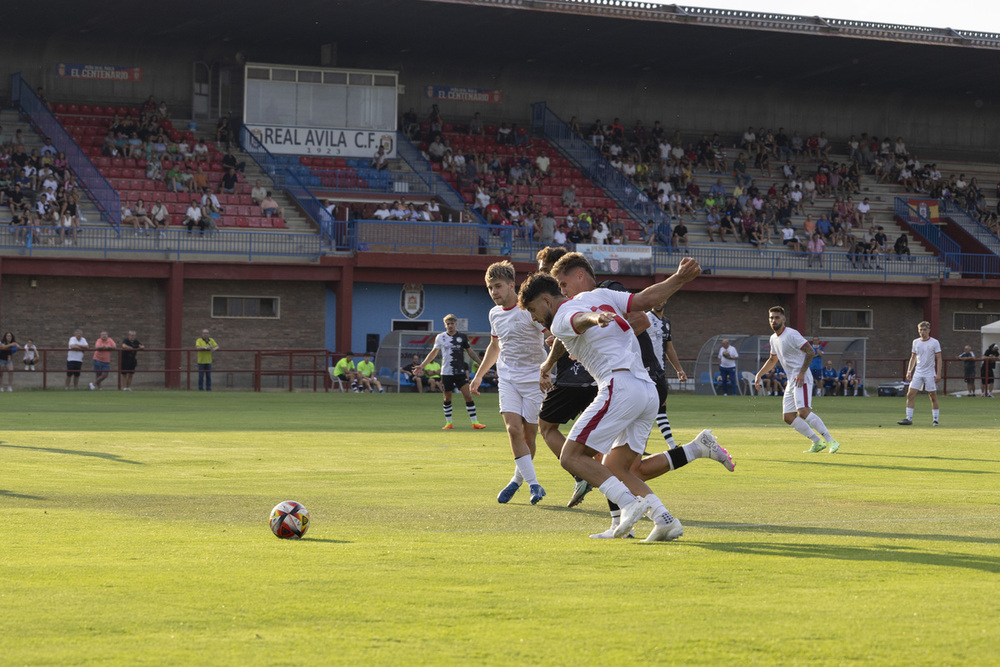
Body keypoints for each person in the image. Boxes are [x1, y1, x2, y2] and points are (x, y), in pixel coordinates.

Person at [519, 256, 722, 542]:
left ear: (545, 300)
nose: (533, 317)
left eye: (531, 309)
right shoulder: (600, 294)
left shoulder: (561, 318)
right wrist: (679, 278)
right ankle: (664, 520)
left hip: (619, 386)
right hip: (646, 391)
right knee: (616, 467)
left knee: (571, 456)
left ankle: (629, 504)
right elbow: (643, 300)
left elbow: (578, 320)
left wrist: (595, 319)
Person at [471, 261, 549, 505]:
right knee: (513, 429)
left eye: (498, 286)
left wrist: (548, 370)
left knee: (529, 435)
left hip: (535, 379)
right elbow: (495, 346)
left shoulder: (529, 309)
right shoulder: (494, 314)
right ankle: (535, 485)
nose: (494, 292)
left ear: (511, 285)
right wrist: (479, 375)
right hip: (508, 379)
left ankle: (517, 480)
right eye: (490, 288)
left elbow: (550, 337)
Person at [754, 306, 840, 453]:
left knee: (803, 411)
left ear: (783, 319)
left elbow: (810, 351)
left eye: (776, 317)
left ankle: (831, 441)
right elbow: (772, 359)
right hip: (791, 380)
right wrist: (759, 374)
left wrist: (801, 372)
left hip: (802, 377)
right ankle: (817, 442)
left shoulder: (792, 334)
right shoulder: (773, 338)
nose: (773, 320)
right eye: (771, 318)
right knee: (788, 417)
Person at [417, 314, 485, 430]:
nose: (450, 326)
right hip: (446, 372)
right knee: (447, 398)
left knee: (468, 396)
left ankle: (475, 422)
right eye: (448, 324)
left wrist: (481, 363)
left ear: (456, 324)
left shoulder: (462, 337)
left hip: (460, 372)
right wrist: (422, 366)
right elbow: (433, 353)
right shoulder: (440, 337)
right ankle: (449, 423)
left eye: (452, 323)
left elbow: (470, 352)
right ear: (445, 325)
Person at [898, 321, 942, 426]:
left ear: (929, 331)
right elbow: (913, 357)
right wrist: (909, 371)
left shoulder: (934, 342)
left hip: (930, 373)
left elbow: (939, 359)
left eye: (924, 330)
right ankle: (909, 419)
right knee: (910, 394)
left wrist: (939, 374)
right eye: (921, 330)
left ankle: (935, 419)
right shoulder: (916, 342)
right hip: (918, 372)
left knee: (932, 396)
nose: (922, 332)